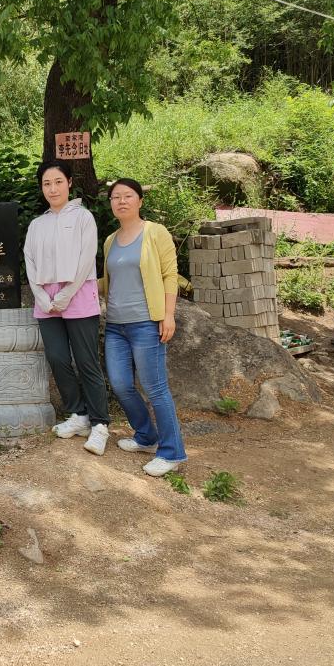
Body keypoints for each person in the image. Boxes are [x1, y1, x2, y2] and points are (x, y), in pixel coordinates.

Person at [101, 178, 188, 477]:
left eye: (128, 196)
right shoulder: (110, 241)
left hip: (146, 323)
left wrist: (168, 315)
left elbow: (169, 275)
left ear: (140, 200)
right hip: (116, 325)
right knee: (121, 384)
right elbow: (109, 282)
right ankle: (146, 437)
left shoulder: (155, 232)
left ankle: (172, 452)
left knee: (155, 388)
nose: (121, 201)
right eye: (115, 197)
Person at [24, 161, 111, 456]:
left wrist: (66, 294)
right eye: (47, 183)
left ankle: (100, 424)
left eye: (58, 182)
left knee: (87, 361)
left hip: (78, 295)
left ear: (69, 183)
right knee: (58, 357)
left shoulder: (83, 217)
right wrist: (40, 295)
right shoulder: (37, 224)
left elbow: (87, 259)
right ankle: (79, 414)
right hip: (46, 301)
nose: (53, 189)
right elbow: (29, 261)